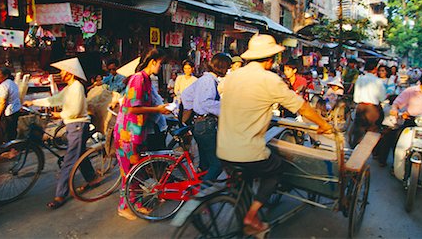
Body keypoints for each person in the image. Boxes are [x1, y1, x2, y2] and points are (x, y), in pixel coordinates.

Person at [217, 34, 332, 235]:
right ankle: (251, 216)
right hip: (247, 151)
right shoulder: (270, 80)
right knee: (276, 169)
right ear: (271, 59)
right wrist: (323, 124)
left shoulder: (233, 76)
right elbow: (302, 108)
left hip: (223, 148)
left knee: (243, 179)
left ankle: (245, 213)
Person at [23, 58, 97, 209]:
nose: (61, 73)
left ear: (70, 73)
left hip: (77, 124)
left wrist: (60, 115)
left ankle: (60, 194)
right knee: (79, 153)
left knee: (69, 160)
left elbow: (75, 110)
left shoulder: (76, 87)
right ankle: (92, 179)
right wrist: (34, 103)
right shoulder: (70, 87)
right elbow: (54, 99)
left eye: (63, 71)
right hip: (74, 125)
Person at [113, 49, 171, 220]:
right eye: (160, 63)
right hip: (127, 134)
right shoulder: (138, 79)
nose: (160, 67)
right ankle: (124, 207)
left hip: (137, 132)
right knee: (129, 173)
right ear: (153, 61)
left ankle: (135, 204)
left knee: (136, 172)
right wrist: (157, 109)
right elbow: (132, 107)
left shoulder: (146, 79)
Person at [181, 53, 231, 181]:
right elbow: (206, 102)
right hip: (206, 125)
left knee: (205, 163)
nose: (228, 70)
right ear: (222, 67)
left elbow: (186, 95)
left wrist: (192, 108)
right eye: (228, 67)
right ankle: (202, 195)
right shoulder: (208, 81)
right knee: (217, 164)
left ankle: (197, 187)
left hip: (199, 123)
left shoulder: (204, 79)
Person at [376, 65, 422, 167]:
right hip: (411, 121)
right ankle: (396, 166)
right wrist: (394, 109)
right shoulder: (411, 91)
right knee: (398, 140)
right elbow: (397, 103)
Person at [352, 58, 386, 147]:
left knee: (358, 131)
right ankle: (368, 150)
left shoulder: (360, 79)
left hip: (361, 107)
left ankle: (355, 149)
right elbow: (382, 97)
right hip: (372, 109)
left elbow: (356, 96)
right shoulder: (378, 81)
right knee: (372, 132)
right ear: (375, 69)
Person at [0, 68, 21, 144]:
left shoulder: (4, 85)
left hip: (7, 114)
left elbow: (2, 103)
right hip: (14, 112)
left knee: (5, 137)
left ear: (6, 75)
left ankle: (8, 153)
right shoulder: (12, 83)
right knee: (12, 134)